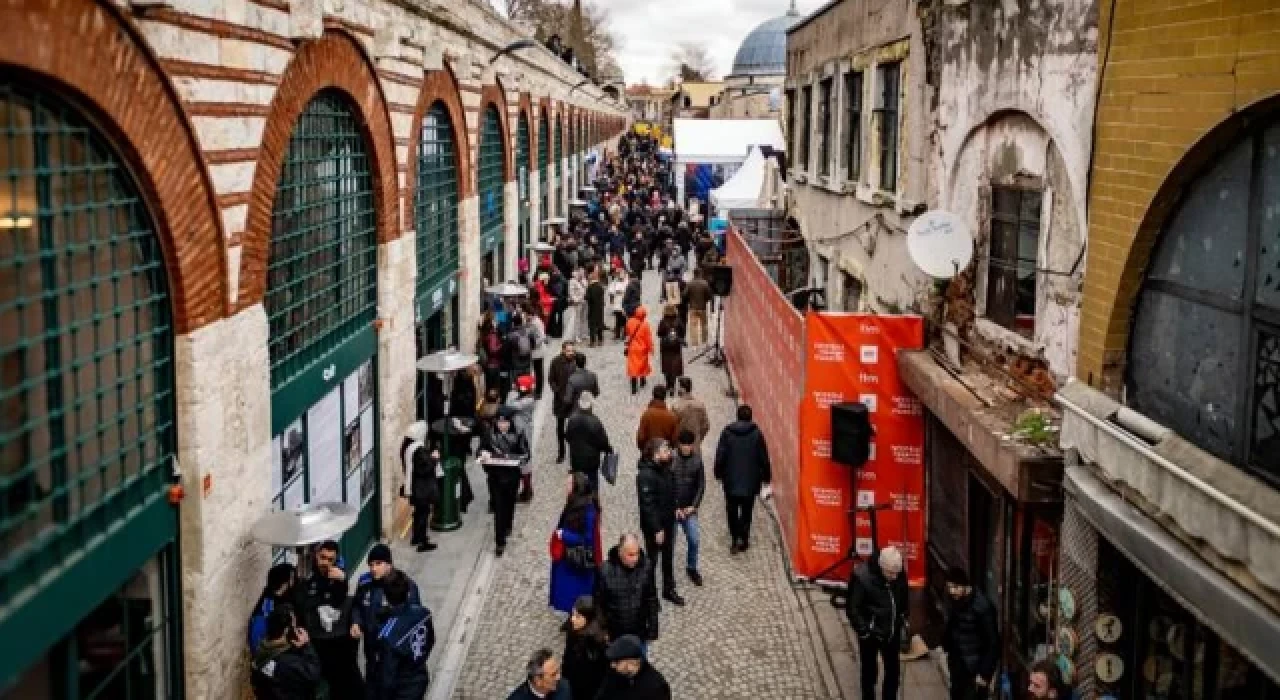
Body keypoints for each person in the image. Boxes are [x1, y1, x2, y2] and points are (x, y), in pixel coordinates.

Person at [296, 541, 362, 698]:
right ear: (316, 556)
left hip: (336, 635)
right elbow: (302, 602)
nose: (325, 562)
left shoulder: (337, 574)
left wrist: (342, 580)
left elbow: (340, 599)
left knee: (346, 677)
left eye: (330, 559)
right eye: (322, 557)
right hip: (316, 637)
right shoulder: (306, 574)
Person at [846, 547, 909, 700]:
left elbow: (903, 597)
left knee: (893, 672)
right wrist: (865, 630)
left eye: (896, 573)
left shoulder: (899, 575)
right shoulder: (863, 578)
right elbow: (853, 608)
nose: (894, 577)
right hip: (871, 633)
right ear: (881, 567)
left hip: (891, 631)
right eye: (890, 573)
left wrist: (902, 616)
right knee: (869, 671)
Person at [351, 544, 423, 672]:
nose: (373, 569)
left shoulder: (404, 585)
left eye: (378, 564)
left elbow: (414, 618)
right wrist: (356, 622)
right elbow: (357, 604)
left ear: (389, 564)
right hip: (371, 646)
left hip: (392, 647)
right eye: (371, 564)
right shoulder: (364, 582)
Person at [713, 404, 772, 553]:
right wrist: (766, 477)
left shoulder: (727, 433)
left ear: (737, 416)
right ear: (750, 417)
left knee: (731, 511)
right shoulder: (757, 434)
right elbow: (763, 458)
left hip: (731, 481)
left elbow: (720, 456)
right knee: (747, 513)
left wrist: (718, 474)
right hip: (750, 482)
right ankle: (744, 539)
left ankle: (734, 538)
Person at [366, 571, 434, 700]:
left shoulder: (387, 635)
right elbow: (430, 641)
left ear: (386, 597)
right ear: (408, 592)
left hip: (402, 690)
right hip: (420, 677)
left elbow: (388, 676)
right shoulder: (424, 613)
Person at [636, 438, 683, 606]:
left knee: (668, 558)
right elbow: (647, 505)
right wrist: (657, 529)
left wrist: (676, 506)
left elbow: (672, 490)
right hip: (654, 527)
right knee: (652, 560)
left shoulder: (666, 468)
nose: (669, 452)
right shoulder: (645, 475)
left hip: (669, 522)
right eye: (665, 450)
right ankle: (651, 596)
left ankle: (668, 589)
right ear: (656, 454)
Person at [941, 567, 1000, 700]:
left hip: (974, 667)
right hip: (958, 663)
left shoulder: (983, 607)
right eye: (950, 587)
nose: (952, 591)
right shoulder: (954, 600)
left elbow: (993, 643)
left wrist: (985, 673)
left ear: (965, 586)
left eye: (955, 587)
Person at [550, 473, 604, 613]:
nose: (566, 486)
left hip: (577, 560)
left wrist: (564, 535)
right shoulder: (574, 502)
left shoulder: (588, 509)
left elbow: (587, 539)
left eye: (569, 483)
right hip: (567, 558)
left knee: (573, 593)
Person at [594, 534, 660, 646]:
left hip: (639, 633)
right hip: (615, 635)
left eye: (637, 553)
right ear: (620, 552)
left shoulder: (646, 566)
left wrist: (653, 629)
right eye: (630, 555)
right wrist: (603, 630)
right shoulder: (604, 570)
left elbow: (651, 598)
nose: (635, 558)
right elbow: (599, 604)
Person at [480, 408, 529, 557]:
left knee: (509, 505)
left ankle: (508, 525)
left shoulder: (518, 434)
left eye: (505, 422)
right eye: (500, 422)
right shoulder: (489, 435)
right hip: (495, 478)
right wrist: (484, 456)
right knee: (499, 510)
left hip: (512, 477)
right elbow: (480, 450)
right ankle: (499, 541)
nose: (502, 425)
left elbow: (526, 455)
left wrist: (511, 458)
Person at [250, 606, 323, 700]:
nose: (296, 628)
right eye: (294, 625)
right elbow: (313, 674)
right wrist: (307, 645)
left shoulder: (262, 648)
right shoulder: (288, 662)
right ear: (286, 630)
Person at [671, 430, 706, 587]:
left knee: (694, 539)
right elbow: (667, 485)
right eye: (683, 445)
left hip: (689, 509)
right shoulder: (671, 459)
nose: (686, 448)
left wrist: (694, 506)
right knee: (669, 543)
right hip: (673, 509)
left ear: (692, 445)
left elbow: (701, 485)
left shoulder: (697, 461)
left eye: (688, 445)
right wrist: (674, 506)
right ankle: (668, 571)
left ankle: (691, 567)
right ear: (679, 444)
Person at [400, 422, 440, 552]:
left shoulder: (407, 447)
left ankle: (416, 537)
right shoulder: (419, 450)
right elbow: (424, 469)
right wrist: (434, 459)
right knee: (423, 513)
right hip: (422, 488)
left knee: (418, 513)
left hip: (414, 487)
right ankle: (422, 541)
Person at [593, 635, 672, 700]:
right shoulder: (614, 673)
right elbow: (603, 693)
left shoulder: (656, 688)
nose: (612, 665)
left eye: (617, 661)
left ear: (632, 663)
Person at [561, 596, 609, 700]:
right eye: (573, 614)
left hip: (587, 690)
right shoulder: (574, 629)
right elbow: (568, 654)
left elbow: (602, 675)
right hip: (571, 681)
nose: (572, 619)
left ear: (588, 618)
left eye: (578, 616)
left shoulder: (598, 643)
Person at [565, 393, 613, 493]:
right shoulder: (595, 421)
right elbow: (602, 442)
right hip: (591, 461)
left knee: (578, 483)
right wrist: (609, 449)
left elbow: (568, 437)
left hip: (576, 459)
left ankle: (580, 501)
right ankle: (593, 503)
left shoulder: (571, 419)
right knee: (593, 483)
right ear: (591, 405)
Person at [248, 563, 297, 656]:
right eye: (292, 578)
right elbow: (257, 646)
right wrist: (286, 640)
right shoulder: (267, 606)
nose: (294, 581)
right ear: (284, 583)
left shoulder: (278, 597)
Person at [506, 375, 538, 502]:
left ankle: (527, 491)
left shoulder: (528, 400)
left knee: (525, 462)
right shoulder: (525, 397)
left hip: (523, 433)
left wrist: (512, 392)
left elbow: (511, 405)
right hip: (520, 431)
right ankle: (526, 488)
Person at [549, 342, 578, 463]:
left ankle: (574, 452)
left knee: (574, 429)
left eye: (572, 351)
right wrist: (557, 391)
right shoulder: (555, 362)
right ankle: (561, 453)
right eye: (568, 351)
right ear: (563, 351)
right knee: (560, 428)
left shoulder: (576, 361)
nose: (571, 353)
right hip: (560, 401)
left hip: (573, 401)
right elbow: (551, 379)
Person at [670, 377, 710, 453]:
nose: (677, 389)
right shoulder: (700, 405)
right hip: (695, 445)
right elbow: (706, 426)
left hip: (680, 445)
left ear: (683, 389)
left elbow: (672, 427)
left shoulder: (676, 406)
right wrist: (698, 438)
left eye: (679, 387)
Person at [635, 384, 678, 451]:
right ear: (665, 397)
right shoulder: (671, 416)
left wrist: (643, 449)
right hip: (665, 453)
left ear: (653, 396)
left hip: (649, 451)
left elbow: (641, 437)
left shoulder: (647, 415)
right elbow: (674, 439)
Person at [655, 306, 684, 391]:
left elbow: (659, 333)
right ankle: (672, 385)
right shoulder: (678, 321)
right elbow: (683, 332)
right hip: (676, 346)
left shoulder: (663, 321)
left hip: (665, 346)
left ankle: (668, 384)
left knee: (666, 364)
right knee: (675, 364)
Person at [684, 268, 713, 348]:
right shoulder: (705, 283)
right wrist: (705, 300)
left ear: (694, 274)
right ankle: (704, 342)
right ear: (700, 273)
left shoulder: (690, 283)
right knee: (704, 325)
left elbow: (685, 294)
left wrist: (689, 300)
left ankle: (695, 345)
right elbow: (709, 295)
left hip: (693, 308)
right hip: (702, 307)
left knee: (693, 327)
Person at [526, 304, 549, 399]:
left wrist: (534, 344)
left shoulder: (536, 322)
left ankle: (539, 392)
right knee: (537, 371)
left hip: (538, 351)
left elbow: (542, 336)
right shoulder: (532, 321)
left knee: (539, 372)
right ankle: (537, 390)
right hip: (536, 350)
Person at [584, 269, 606, 347]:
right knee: (599, 324)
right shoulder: (601, 286)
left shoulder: (590, 287)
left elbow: (587, 297)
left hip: (592, 308)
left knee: (592, 326)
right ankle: (600, 340)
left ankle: (592, 342)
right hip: (600, 308)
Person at [607, 269, 629, 340]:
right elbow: (610, 291)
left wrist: (623, 292)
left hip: (624, 303)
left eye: (622, 274)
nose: (621, 275)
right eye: (619, 274)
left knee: (624, 319)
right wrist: (613, 296)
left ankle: (624, 334)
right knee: (617, 319)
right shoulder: (614, 282)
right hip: (617, 303)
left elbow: (628, 291)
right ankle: (617, 334)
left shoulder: (627, 282)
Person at [567, 268, 587, 342]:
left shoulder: (584, 280)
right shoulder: (572, 281)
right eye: (580, 272)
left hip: (584, 302)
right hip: (577, 302)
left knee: (584, 318)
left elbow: (586, 289)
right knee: (577, 319)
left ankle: (583, 334)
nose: (582, 274)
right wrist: (576, 300)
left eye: (583, 272)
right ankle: (576, 336)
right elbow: (571, 292)